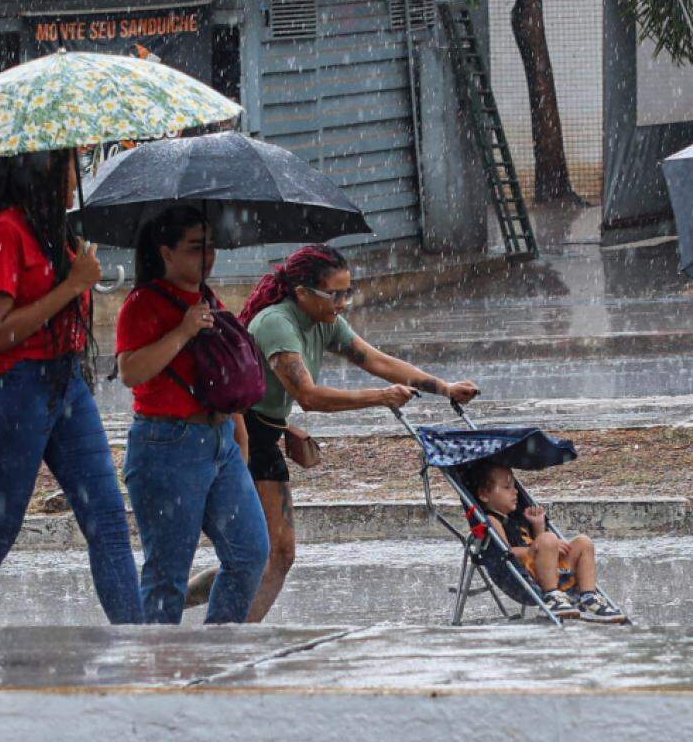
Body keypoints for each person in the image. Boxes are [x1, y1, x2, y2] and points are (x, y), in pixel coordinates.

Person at [186, 244, 481, 620]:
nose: (343, 302)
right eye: (335, 294)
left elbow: (375, 359)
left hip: (265, 436)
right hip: (238, 438)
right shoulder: (278, 322)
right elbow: (308, 395)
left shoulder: (325, 321)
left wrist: (443, 387)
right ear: (303, 292)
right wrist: (381, 397)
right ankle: (206, 619)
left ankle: (235, 627)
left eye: (347, 292)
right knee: (260, 554)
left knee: (276, 554)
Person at [0, 150, 141, 626]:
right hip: (11, 392)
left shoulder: (54, 232)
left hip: (65, 383)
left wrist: (76, 279)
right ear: (45, 171)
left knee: (109, 522)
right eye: (71, 167)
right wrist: (72, 286)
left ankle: (141, 648)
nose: (77, 178)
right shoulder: (4, 233)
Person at [115, 205, 270, 624]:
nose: (208, 257)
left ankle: (218, 652)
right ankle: (160, 673)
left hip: (220, 442)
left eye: (212, 246)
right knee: (167, 577)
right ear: (166, 253)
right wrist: (182, 331)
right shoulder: (142, 303)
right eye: (196, 248)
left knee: (252, 553)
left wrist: (238, 435)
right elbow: (130, 371)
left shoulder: (207, 298)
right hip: (167, 447)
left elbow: (220, 380)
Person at [467, 461, 625, 623]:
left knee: (583, 543)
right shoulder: (492, 520)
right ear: (484, 494)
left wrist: (538, 525)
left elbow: (542, 547)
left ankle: (589, 597)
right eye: (507, 488)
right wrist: (537, 547)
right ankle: (551, 595)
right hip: (527, 577)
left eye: (515, 487)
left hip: (551, 571)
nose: (515, 492)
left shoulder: (517, 518)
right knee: (549, 539)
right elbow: (505, 552)